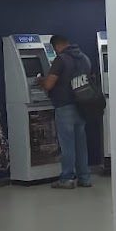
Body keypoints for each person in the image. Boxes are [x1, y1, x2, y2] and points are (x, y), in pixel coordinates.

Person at [41, 34, 93, 189]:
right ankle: (84, 178)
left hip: (64, 106)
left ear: (56, 46)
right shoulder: (84, 58)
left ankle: (67, 178)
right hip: (82, 106)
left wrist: (41, 81)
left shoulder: (61, 60)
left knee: (67, 145)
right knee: (81, 145)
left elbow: (49, 84)